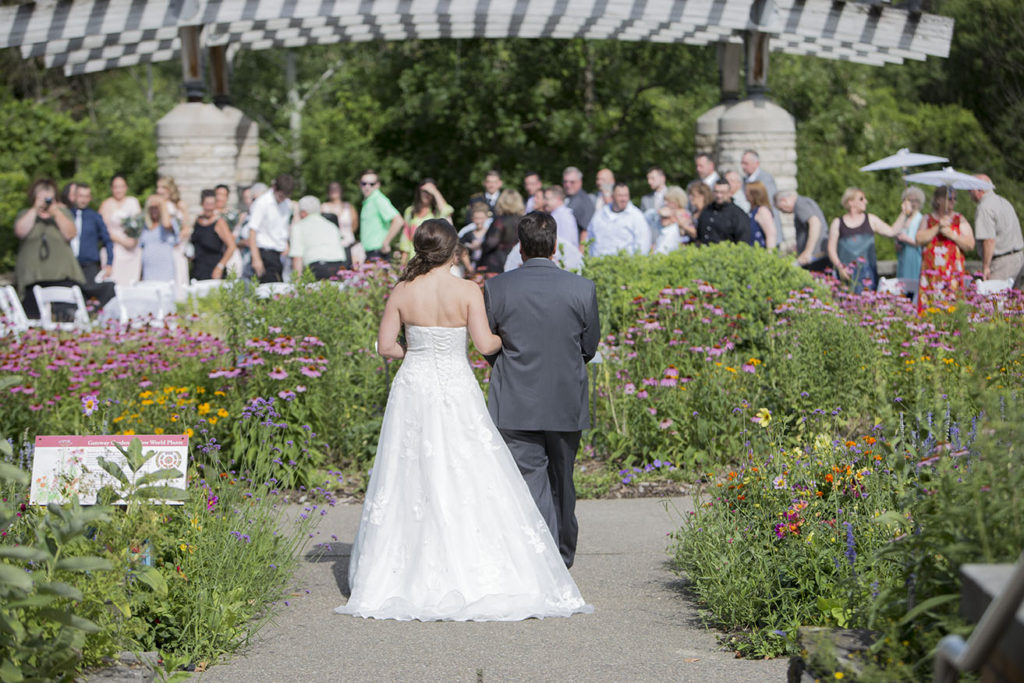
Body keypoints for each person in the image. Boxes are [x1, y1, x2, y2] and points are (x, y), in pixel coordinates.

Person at [336, 218, 591, 621]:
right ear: (454, 250)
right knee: (468, 468)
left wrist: (417, 352)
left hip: (415, 386)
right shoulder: (467, 290)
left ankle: (405, 567)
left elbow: (386, 346)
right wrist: (505, 340)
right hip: (455, 385)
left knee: (410, 472)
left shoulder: (403, 290)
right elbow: (486, 343)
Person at [484, 211, 600, 570]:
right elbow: (590, 346)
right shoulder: (582, 288)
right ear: (554, 247)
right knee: (563, 479)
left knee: (528, 479)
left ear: (519, 247)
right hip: (565, 397)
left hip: (516, 396)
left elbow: (489, 345)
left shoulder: (496, 287)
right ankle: (561, 554)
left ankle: (539, 556)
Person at [14, 178, 114, 317]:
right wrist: (36, 208)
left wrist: (55, 212)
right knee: (32, 316)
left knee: (66, 315)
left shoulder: (63, 213)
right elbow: (20, 231)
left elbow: (71, 233)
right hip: (32, 277)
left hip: (62, 276)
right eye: (42, 196)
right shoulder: (26, 214)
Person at [827, 187, 902, 293]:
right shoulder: (837, 223)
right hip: (846, 275)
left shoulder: (871, 219)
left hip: (868, 275)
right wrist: (840, 267)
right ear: (851, 202)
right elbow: (831, 249)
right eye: (861, 199)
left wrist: (904, 213)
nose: (865, 201)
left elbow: (892, 232)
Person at [916, 186, 975, 312]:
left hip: (952, 275)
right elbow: (919, 239)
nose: (952, 201)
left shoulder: (959, 219)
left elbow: (970, 244)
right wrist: (937, 227)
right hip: (931, 275)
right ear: (938, 200)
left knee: (953, 311)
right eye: (949, 198)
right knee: (929, 309)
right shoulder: (928, 219)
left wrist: (952, 235)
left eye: (955, 198)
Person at [970, 174, 1023, 286]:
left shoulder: (984, 208)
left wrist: (986, 266)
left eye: (970, 189)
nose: (969, 193)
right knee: (1012, 301)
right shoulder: (1003, 201)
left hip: (1002, 263)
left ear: (979, 190)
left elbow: (989, 240)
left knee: (993, 299)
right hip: (1018, 258)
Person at [248, 173, 295, 283]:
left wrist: (286, 244)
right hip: (265, 252)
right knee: (269, 289)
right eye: (281, 196)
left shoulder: (287, 204)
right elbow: (252, 231)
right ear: (274, 188)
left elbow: (283, 226)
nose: (283, 200)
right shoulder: (262, 203)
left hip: (280, 253)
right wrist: (256, 258)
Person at [290, 195, 350, 280]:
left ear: (303, 213)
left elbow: (297, 258)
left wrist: (297, 283)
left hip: (317, 268)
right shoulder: (332, 225)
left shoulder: (299, 227)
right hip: (339, 267)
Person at [99, 174, 142, 286]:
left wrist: (132, 241)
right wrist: (123, 242)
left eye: (121, 186)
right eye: (116, 187)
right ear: (112, 188)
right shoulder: (106, 204)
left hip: (132, 250)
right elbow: (104, 229)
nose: (118, 190)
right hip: (115, 249)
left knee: (132, 283)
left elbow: (139, 224)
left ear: (126, 187)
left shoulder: (133, 201)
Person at [587, 183, 652, 257]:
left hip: (624, 265)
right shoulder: (600, 215)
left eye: (626, 195)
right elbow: (589, 238)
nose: (623, 199)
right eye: (620, 196)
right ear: (612, 197)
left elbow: (643, 244)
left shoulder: (636, 216)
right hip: (598, 264)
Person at [401, 179, 453, 264]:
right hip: (413, 258)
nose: (427, 195)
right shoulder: (410, 211)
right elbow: (405, 238)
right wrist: (403, 263)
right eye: (425, 191)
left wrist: (435, 192)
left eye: (430, 192)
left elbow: (447, 211)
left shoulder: (436, 212)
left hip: (432, 258)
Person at [775, 190, 829, 271]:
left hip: (814, 257)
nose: (783, 212)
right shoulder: (804, 202)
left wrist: (807, 251)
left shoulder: (799, 204)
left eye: (780, 208)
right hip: (818, 254)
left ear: (784, 200)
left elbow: (815, 223)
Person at [71, 183, 114, 283]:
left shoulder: (95, 217)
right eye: (81, 196)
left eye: (87, 196)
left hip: (89, 265)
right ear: (74, 196)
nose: (83, 200)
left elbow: (107, 240)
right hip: (70, 265)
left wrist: (109, 263)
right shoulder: (67, 215)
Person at [190, 189, 237, 281]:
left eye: (212, 204)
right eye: (207, 204)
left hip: (213, 269)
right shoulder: (197, 220)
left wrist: (220, 266)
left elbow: (231, 246)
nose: (210, 208)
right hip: (198, 268)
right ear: (202, 204)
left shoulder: (219, 222)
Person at [357, 169, 403, 261]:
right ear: (360, 184)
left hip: (378, 253)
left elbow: (398, 221)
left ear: (378, 185)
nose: (367, 187)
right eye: (364, 183)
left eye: (371, 184)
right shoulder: (368, 201)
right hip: (369, 253)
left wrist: (386, 242)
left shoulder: (378, 199)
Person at [156, 176, 191, 295]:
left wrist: (182, 234)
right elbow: (166, 223)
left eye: (163, 187)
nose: (159, 191)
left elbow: (187, 225)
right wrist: (162, 204)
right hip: (164, 246)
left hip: (178, 246)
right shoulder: (160, 204)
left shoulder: (180, 204)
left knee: (180, 276)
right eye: (158, 187)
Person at [694, 179, 750, 245]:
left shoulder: (738, 215)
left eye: (722, 192)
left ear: (730, 193)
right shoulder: (706, 210)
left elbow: (743, 241)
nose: (719, 195)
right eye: (716, 192)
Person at [891, 186, 926, 291]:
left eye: (914, 200)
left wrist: (906, 239)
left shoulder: (921, 218)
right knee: (902, 286)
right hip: (903, 255)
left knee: (912, 286)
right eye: (909, 200)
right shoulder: (903, 218)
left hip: (915, 256)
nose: (912, 203)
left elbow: (922, 241)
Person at [139, 194, 178, 282]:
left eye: (157, 207)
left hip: (165, 268)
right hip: (148, 269)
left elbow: (166, 224)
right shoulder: (145, 226)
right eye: (151, 207)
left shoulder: (169, 223)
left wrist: (162, 202)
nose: (154, 210)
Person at [562, 166, 594, 244]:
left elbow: (586, 230)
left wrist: (581, 253)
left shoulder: (584, 201)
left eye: (572, 182)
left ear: (580, 182)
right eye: (565, 182)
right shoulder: (565, 197)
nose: (568, 185)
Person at [543, 185, 579, 250]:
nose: (544, 202)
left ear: (558, 199)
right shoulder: (556, 214)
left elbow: (567, 243)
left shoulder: (564, 216)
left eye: (547, 199)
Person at [745, 181, 777, 249]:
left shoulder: (762, 211)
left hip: (760, 251)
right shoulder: (752, 210)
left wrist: (769, 255)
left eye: (747, 192)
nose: (745, 194)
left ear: (754, 195)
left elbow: (771, 234)